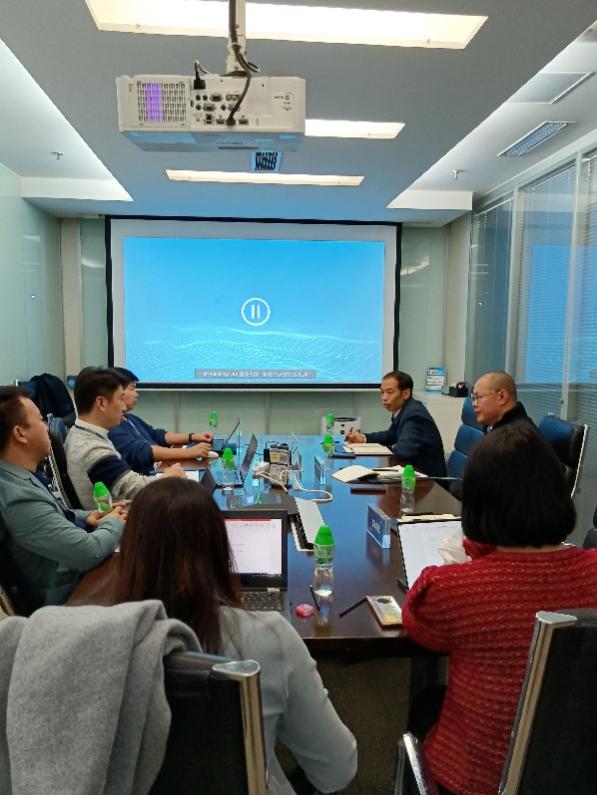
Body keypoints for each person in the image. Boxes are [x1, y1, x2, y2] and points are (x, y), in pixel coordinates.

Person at [113, 477, 357, 794]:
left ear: (130, 552)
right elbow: (337, 771)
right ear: (219, 549)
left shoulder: (104, 643)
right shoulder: (269, 638)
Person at [402, 423, 597, 795]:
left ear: (475, 505)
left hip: (476, 780)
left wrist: (477, 552)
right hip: (579, 772)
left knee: (428, 704)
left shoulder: (452, 588)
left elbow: (418, 625)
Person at [0, 386, 126, 608]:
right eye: (41, 420)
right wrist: (114, 522)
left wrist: (87, 517)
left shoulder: (19, 475)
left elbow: (49, 513)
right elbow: (90, 552)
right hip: (67, 598)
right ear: (20, 434)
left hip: (75, 575)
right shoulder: (18, 497)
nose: (46, 428)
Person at [65, 367, 186, 510]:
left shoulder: (80, 432)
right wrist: (168, 477)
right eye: (121, 399)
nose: (123, 407)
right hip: (125, 517)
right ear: (101, 403)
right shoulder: (92, 448)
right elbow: (132, 489)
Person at [108, 367, 213, 474]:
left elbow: (157, 435)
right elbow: (141, 452)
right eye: (132, 388)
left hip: (160, 468)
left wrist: (192, 437)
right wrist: (190, 452)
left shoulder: (130, 418)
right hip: (150, 475)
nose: (136, 394)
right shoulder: (111, 426)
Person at [345, 370, 446, 477]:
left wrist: (376, 451)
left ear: (406, 393)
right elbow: (390, 435)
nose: (384, 398)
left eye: (389, 392)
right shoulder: (404, 410)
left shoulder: (414, 415)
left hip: (428, 481)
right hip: (412, 474)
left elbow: (403, 452)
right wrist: (363, 438)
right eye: (382, 392)